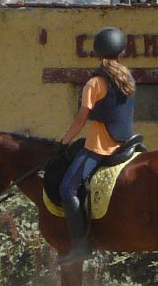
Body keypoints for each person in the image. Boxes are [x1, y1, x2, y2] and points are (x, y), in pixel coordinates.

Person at [55, 26, 136, 268]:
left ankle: (81, 245)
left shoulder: (94, 82)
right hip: (126, 144)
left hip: (100, 148)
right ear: (121, 53)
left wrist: (64, 141)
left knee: (67, 189)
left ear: (97, 53)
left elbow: (81, 120)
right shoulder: (128, 78)